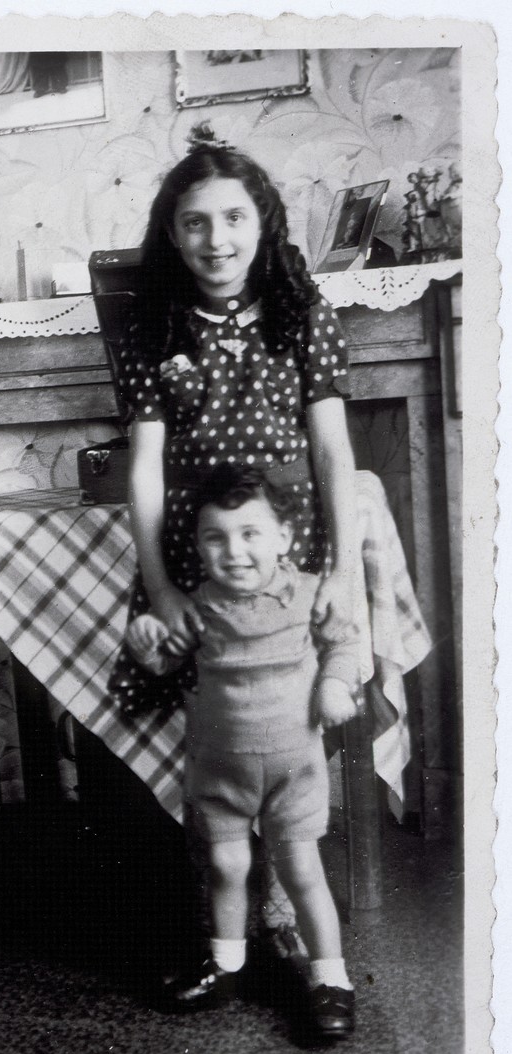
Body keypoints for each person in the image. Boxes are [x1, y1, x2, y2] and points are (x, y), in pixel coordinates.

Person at [108, 121, 358, 956]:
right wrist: (165, 583)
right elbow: (144, 467)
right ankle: (225, 903)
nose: (216, 239)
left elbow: (331, 449)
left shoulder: (301, 315)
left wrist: (341, 574)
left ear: (262, 223)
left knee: (288, 713)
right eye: (194, 222)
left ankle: (288, 907)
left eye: (233, 218)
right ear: (171, 234)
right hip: (194, 548)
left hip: (288, 546)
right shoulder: (153, 329)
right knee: (215, 715)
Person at [126, 463, 359, 1038]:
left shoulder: (307, 592)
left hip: (292, 770)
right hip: (220, 771)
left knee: (301, 869)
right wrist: (146, 645)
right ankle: (225, 966)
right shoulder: (200, 607)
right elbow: (167, 661)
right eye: (216, 537)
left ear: (284, 537)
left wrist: (334, 685)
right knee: (227, 866)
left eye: (250, 533)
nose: (234, 551)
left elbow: (345, 644)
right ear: (199, 548)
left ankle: (332, 979)